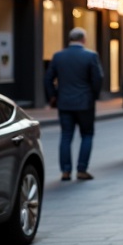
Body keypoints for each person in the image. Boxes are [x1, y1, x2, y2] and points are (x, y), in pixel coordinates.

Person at [45, 28, 104, 181]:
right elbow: (98, 79)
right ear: (83, 40)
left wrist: (53, 97)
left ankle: (65, 171)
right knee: (87, 135)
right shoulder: (91, 56)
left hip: (64, 103)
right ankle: (81, 169)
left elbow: (48, 79)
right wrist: (93, 96)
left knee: (66, 136)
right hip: (85, 103)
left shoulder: (58, 56)